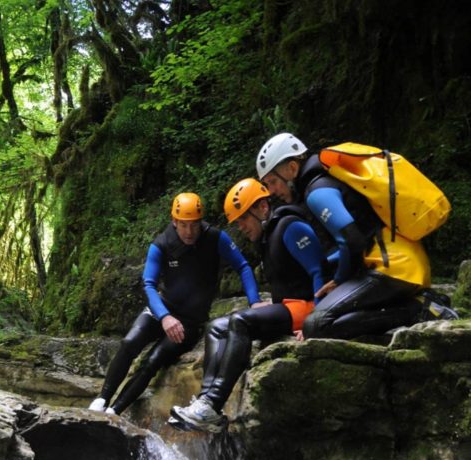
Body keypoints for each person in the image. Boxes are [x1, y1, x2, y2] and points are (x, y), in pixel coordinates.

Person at [255, 132, 457, 338]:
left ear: (292, 168)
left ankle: (419, 310)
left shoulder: (317, 192)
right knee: (323, 318)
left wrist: (339, 280)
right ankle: (417, 304)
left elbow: (352, 240)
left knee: (315, 325)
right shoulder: (328, 179)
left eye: (273, 181)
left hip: (391, 269)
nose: (271, 191)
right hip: (402, 265)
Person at [170, 178, 327, 432]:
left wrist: (317, 320)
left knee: (240, 321)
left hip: (307, 307)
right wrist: (268, 304)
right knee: (216, 326)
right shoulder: (268, 237)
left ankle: (213, 403)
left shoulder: (289, 227)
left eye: (243, 218)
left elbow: (319, 272)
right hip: (290, 305)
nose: (240, 226)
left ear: (262, 208)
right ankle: (205, 400)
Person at [88, 192, 263, 416]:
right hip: (161, 309)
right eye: (183, 225)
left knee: (153, 361)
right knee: (129, 342)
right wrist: (165, 317)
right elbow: (149, 284)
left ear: (201, 222)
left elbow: (243, 267)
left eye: (194, 225)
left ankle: (114, 412)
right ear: (174, 222)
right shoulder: (162, 244)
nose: (189, 232)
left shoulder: (214, 238)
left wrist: (255, 302)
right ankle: (102, 399)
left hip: (189, 321)